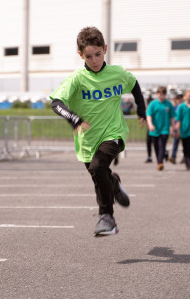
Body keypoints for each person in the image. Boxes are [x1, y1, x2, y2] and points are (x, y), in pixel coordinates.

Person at [50, 26, 146, 237]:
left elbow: (134, 85)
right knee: (98, 173)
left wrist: (141, 109)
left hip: (113, 132)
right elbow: (56, 103)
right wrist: (74, 119)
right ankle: (113, 183)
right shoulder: (76, 79)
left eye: (98, 54)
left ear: (105, 49)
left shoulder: (117, 73)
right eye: (88, 56)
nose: (94, 60)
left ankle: (107, 217)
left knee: (98, 165)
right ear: (80, 55)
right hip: (87, 138)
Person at [146, 86, 175, 171]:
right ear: (157, 94)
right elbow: (149, 115)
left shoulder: (168, 104)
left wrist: (172, 128)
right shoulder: (153, 104)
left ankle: (160, 163)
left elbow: (172, 117)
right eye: (159, 94)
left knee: (162, 145)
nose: (161, 96)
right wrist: (150, 125)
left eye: (163, 94)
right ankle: (161, 158)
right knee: (156, 147)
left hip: (165, 129)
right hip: (154, 130)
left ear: (165, 95)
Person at [175, 89, 190, 170]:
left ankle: (188, 162)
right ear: (185, 96)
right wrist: (177, 129)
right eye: (189, 95)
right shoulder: (181, 107)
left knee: (189, 147)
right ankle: (186, 158)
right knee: (185, 147)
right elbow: (179, 119)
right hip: (183, 130)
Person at [169, 94, 183, 164]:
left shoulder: (184, 107)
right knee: (175, 143)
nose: (179, 101)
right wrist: (172, 127)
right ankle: (173, 157)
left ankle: (185, 157)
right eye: (178, 99)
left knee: (185, 144)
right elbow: (172, 118)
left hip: (183, 128)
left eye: (181, 99)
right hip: (176, 128)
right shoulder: (174, 108)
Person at [144, 94, 154, 163]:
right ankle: (149, 156)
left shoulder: (153, 108)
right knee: (149, 143)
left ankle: (163, 153)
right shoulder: (148, 109)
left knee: (156, 143)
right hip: (149, 128)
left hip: (155, 128)